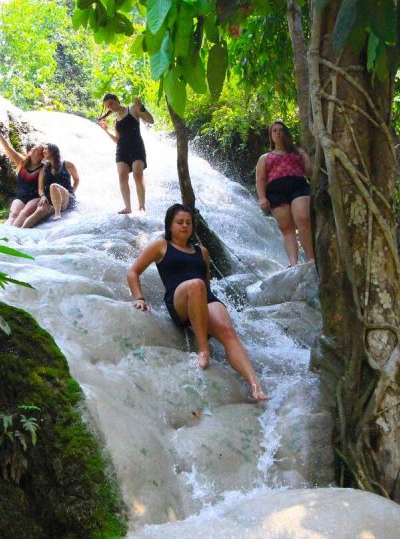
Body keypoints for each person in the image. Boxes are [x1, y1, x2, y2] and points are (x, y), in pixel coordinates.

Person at [126, 204, 268, 401]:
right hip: (179, 300)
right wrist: (139, 298)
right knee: (196, 285)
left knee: (228, 333)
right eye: (179, 222)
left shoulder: (202, 251)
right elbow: (133, 272)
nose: (185, 226)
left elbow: (207, 284)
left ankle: (255, 386)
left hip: (203, 297)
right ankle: (203, 350)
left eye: (188, 223)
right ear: (169, 225)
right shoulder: (160, 245)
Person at [255, 121, 314, 265]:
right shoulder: (265, 158)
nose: (278, 133)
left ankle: (311, 259)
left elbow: (310, 172)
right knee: (287, 229)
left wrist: (308, 157)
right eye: (274, 130)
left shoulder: (298, 152)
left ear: (286, 133)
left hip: (298, 187)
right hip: (276, 192)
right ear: (271, 136)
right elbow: (260, 179)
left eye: (281, 130)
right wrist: (262, 198)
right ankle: (293, 263)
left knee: (303, 218)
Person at [97, 94, 154, 214]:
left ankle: (142, 207)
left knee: (138, 175)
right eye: (107, 106)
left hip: (137, 147)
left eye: (111, 103)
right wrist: (106, 131)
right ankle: (128, 208)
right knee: (122, 177)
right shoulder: (115, 121)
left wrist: (141, 106)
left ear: (117, 100)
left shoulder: (132, 109)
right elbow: (117, 140)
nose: (110, 107)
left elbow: (151, 120)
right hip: (122, 150)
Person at [0, 125, 45, 228]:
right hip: (21, 197)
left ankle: (13, 235)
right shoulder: (22, 162)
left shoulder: (43, 168)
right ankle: (4, 232)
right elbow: (9, 149)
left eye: (36, 149)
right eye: (33, 148)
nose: (33, 149)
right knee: (13, 215)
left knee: (23, 214)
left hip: (34, 198)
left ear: (41, 156)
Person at [37, 143, 80, 220]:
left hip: (66, 197)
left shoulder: (68, 164)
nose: (43, 151)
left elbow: (76, 179)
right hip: (50, 199)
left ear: (52, 151)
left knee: (54, 186)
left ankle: (57, 214)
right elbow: (40, 188)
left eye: (46, 149)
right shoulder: (43, 169)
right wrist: (42, 196)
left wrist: (72, 191)